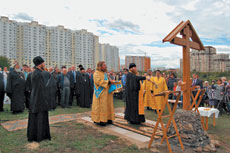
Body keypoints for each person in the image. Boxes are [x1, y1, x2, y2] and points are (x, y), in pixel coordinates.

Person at [27, 56, 51, 142]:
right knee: (39, 119)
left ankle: (38, 135)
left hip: (36, 100)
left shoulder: (36, 73)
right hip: (39, 101)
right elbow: (40, 89)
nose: (44, 65)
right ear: (40, 64)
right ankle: (39, 136)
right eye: (43, 63)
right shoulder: (38, 74)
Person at [91, 61, 114, 126]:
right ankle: (100, 120)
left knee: (108, 106)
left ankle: (108, 118)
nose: (105, 66)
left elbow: (108, 80)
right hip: (100, 94)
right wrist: (109, 82)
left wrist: (112, 82)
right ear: (100, 66)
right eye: (104, 65)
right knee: (101, 107)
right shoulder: (96, 73)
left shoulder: (105, 73)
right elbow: (99, 82)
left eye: (105, 65)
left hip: (107, 93)